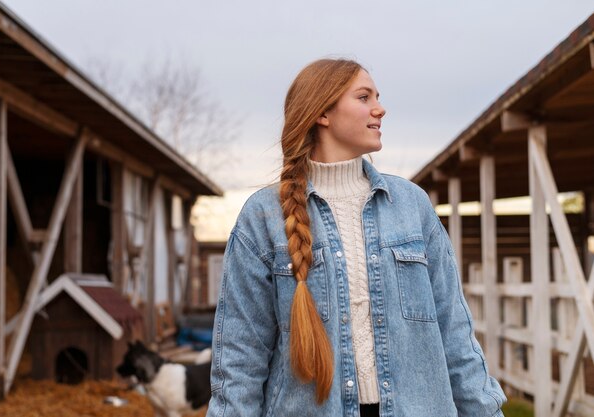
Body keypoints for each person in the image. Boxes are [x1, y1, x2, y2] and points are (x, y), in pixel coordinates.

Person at [206, 58, 506, 417]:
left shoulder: (411, 205)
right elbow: (240, 359)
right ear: (323, 114)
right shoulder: (263, 216)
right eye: (364, 97)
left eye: (377, 97)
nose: (380, 108)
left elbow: (455, 332)